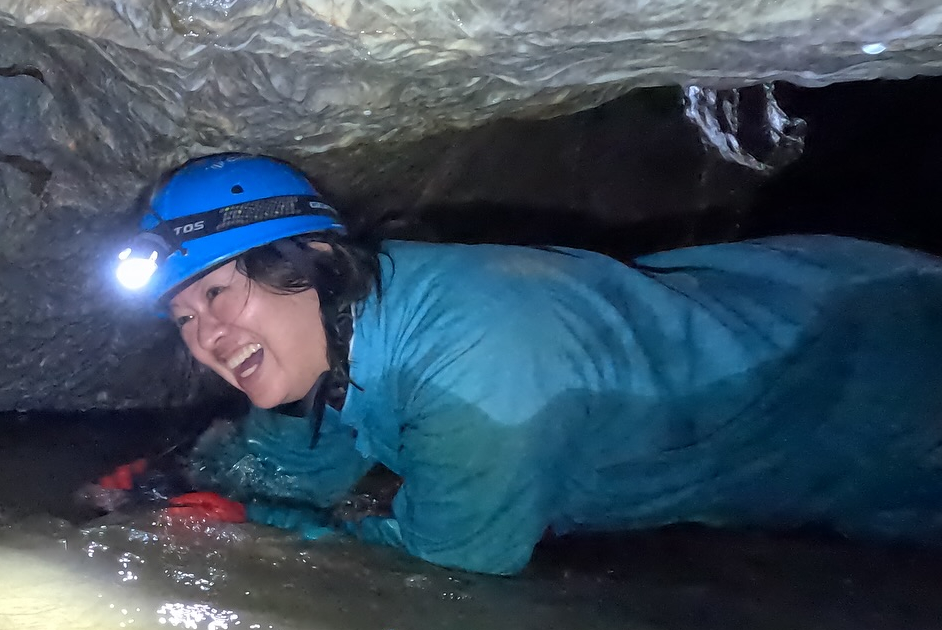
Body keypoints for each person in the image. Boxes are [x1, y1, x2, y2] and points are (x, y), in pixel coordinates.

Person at [99, 153, 942, 576]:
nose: (204, 334)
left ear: (308, 257)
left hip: (882, 362)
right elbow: (293, 448)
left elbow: (454, 567)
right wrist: (170, 477)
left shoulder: (470, 364)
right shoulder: (349, 319)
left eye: (216, 292)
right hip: (807, 336)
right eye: (181, 317)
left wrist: (259, 530)